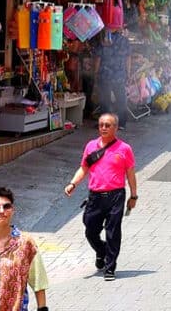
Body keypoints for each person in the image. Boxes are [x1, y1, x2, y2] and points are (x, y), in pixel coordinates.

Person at [64, 113, 137, 281]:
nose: (103, 128)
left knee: (113, 232)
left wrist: (134, 196)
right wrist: (72, 184)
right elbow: (83, 168)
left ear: (116, 128)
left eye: (108, 125)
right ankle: (101, 251)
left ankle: (110, 267)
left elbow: (131, 174)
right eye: (101, 125)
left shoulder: (124, 149)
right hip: (95, 197)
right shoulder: (91, 146)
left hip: (116, 196)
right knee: (90, 229)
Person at [95, 29, 132, 129]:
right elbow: (128, 58)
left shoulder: (104, 41)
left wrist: (95, 72)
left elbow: (98, 58)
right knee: (121, 99)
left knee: (105, 100)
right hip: (120, 75)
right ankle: (122, 124)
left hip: (105, 75)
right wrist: (128, 72)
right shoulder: (125, 41)